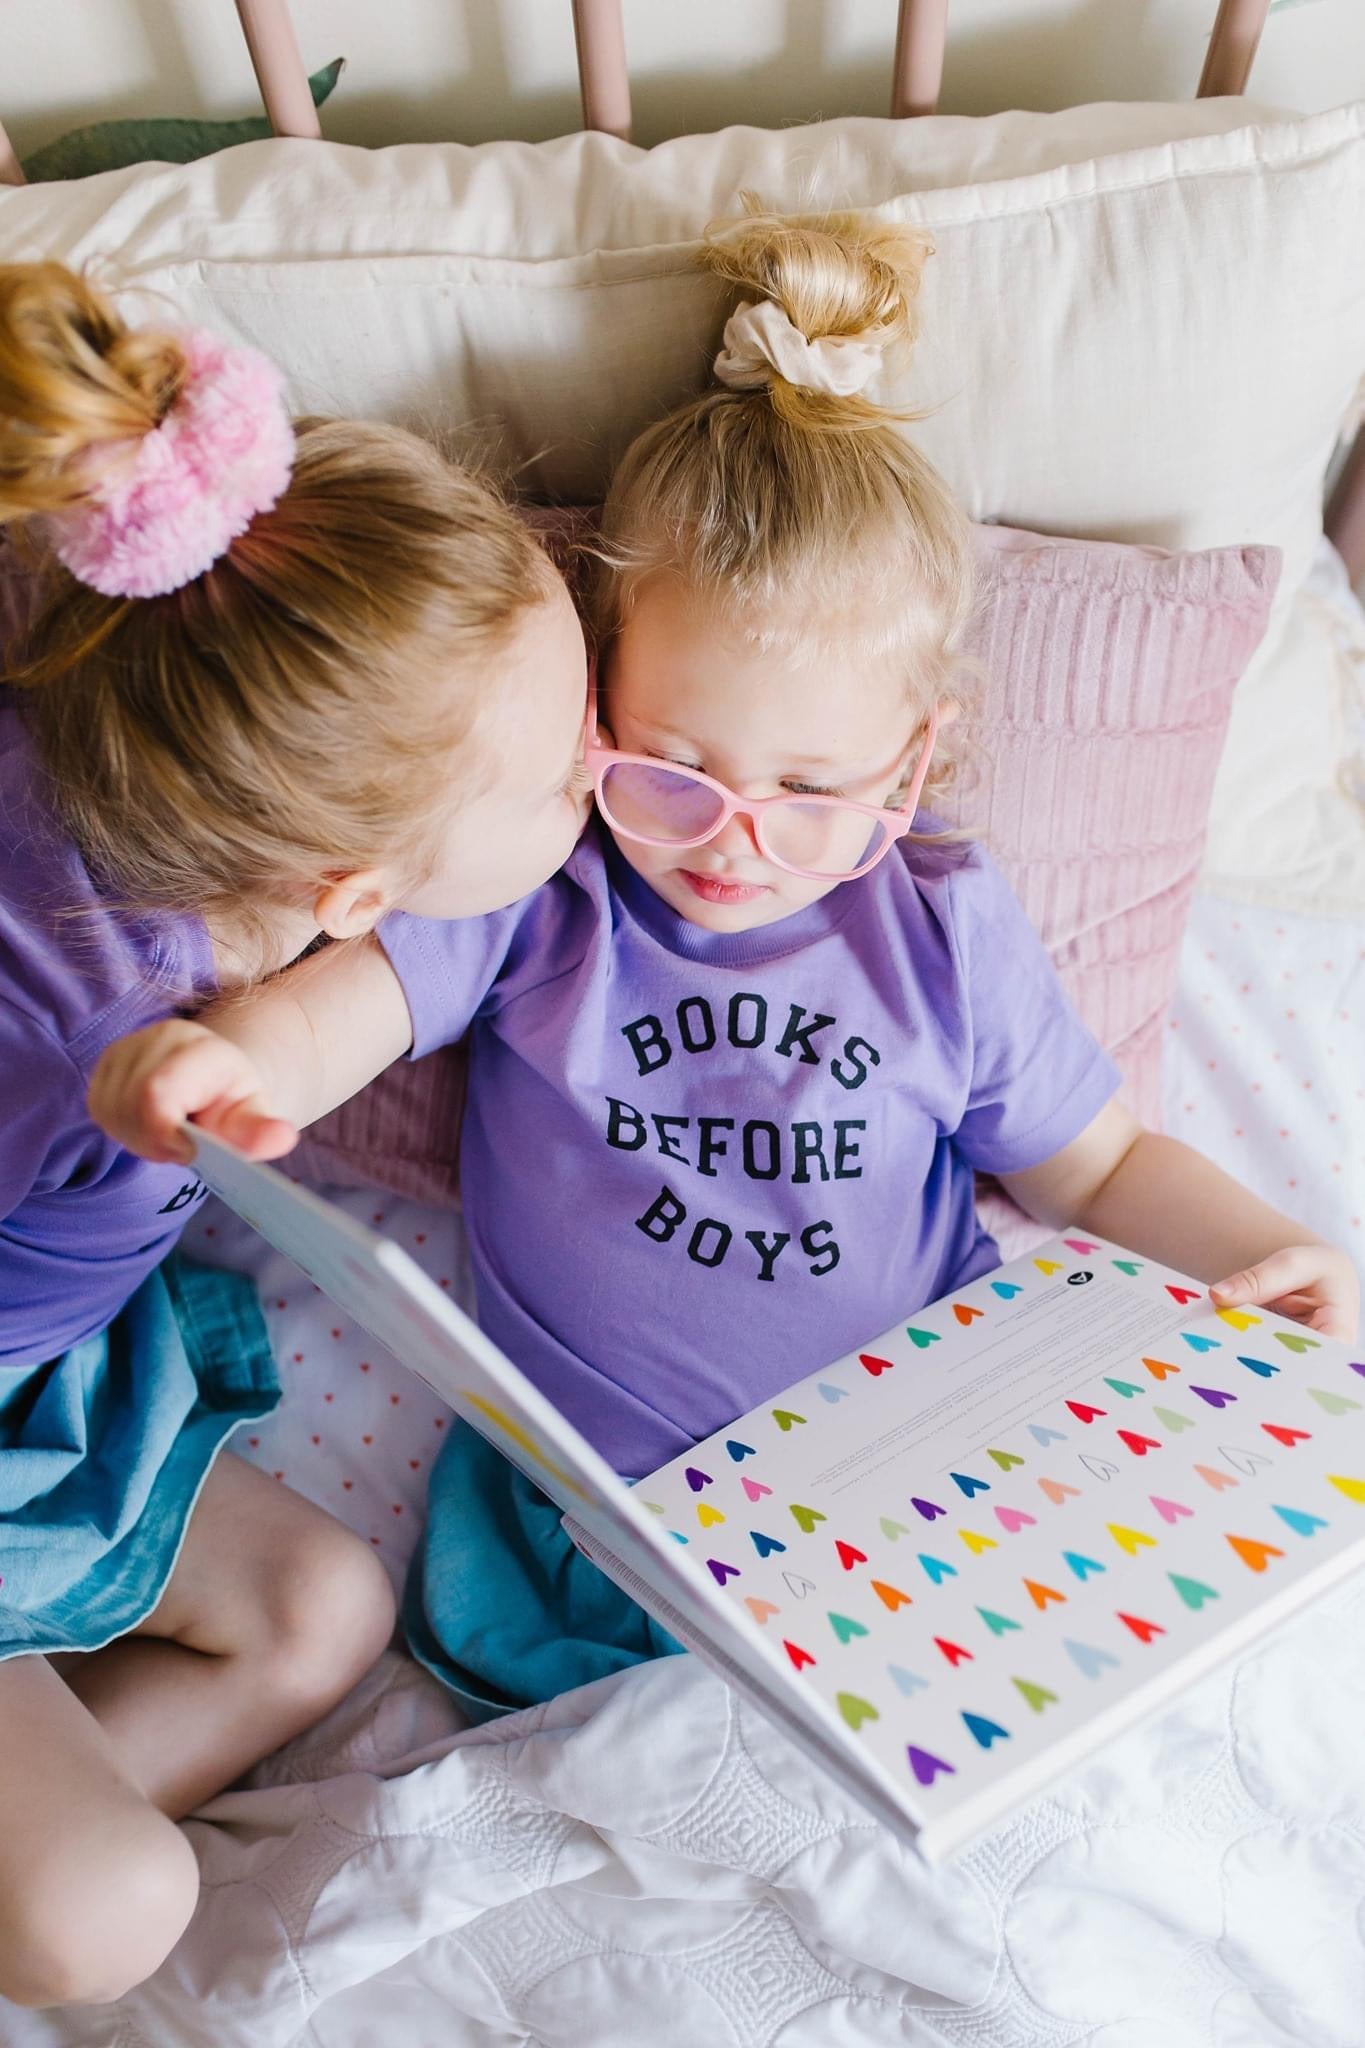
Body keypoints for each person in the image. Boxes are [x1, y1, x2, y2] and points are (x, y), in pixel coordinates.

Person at [93, 208, 1359, 1735]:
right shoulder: (550, 890)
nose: (729, 847)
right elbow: (342, 1011)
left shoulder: (940, 928)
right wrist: (240, 1069)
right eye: (671, 772)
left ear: (916, 759)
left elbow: (1098, 1168)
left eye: (810, 794)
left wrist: (1258, 1258)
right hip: (599, 1520)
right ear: (593, 707)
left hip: (917, 1499)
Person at [0, 262, 592, 2009]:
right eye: (575, 768)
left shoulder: (119, 657)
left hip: (41, 1383)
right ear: (346, 892)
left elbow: (470, 916)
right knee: (112, 1912)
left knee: (322, 1610)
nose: (610, 772)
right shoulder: (66, 1019)